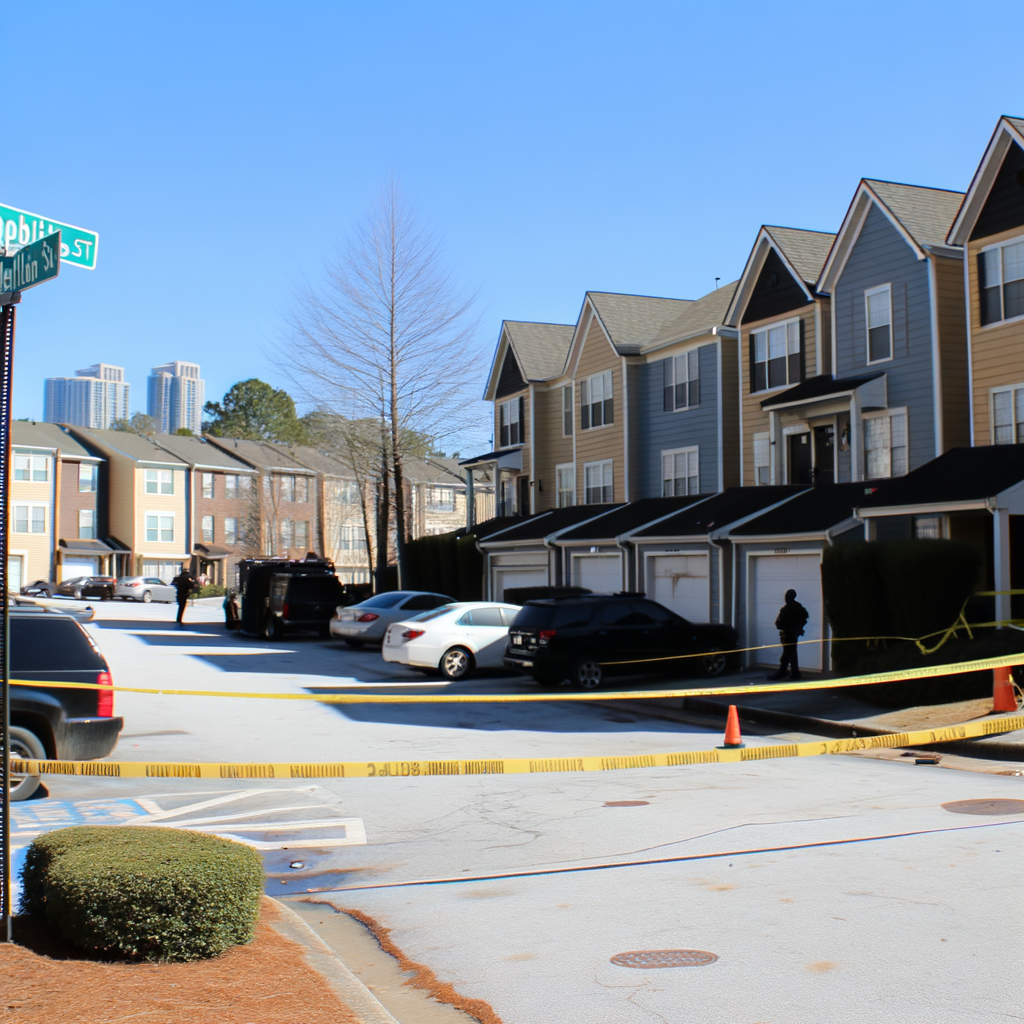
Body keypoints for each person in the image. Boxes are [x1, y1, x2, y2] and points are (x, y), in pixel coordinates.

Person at [768, 588, 808, 680]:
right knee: (792, 653)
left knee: (787, 654)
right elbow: (805, 618)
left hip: (788, 634)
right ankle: (793, 672)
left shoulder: (787, 609)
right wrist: (799, 628)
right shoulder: (798, 607)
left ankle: (784, 672)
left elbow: (779, 623)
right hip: (794, 634)